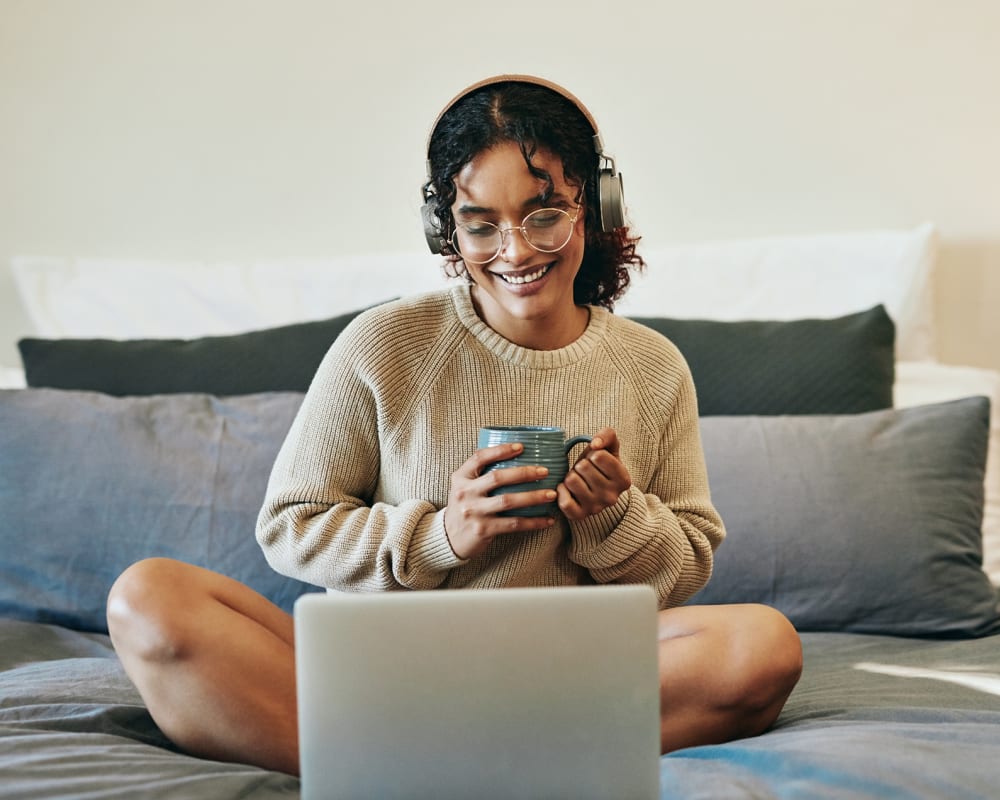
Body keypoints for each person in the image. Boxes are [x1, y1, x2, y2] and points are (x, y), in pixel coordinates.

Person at [107, 74, 802, 777]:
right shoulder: (382, 344)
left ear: (593, 206)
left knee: (763, 646)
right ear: (448, 228)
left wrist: (612, 517)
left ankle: (397, 768)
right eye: (481, 224)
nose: (517, 250)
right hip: (393, 673)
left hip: (571, 676)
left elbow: (686, 567)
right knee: (147, 599)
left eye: (544, 214)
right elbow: (290, 525)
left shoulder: (654, 368)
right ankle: (498, 765)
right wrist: (442, 535)